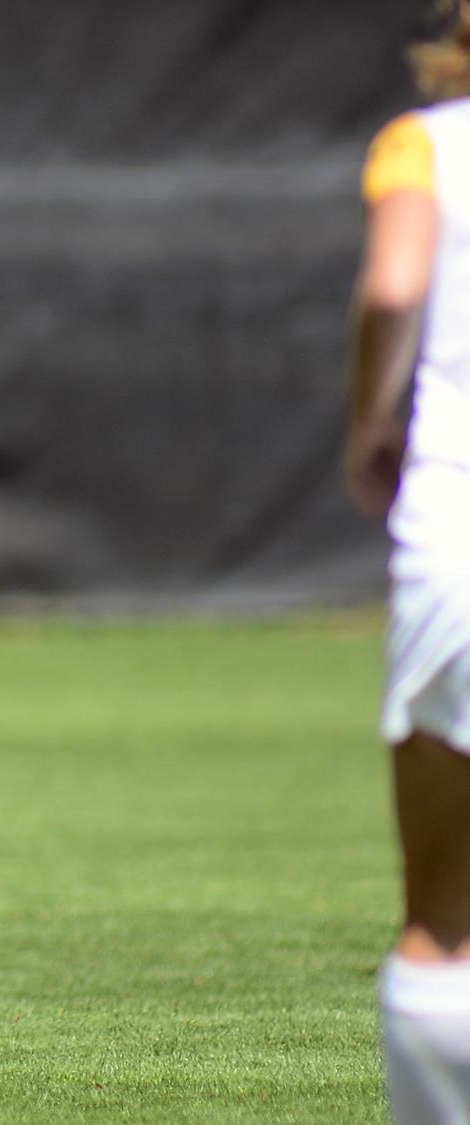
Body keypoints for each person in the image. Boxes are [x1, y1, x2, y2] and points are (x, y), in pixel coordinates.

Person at [346, 2, 470, 1120]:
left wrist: (366, 428)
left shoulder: (422, 145)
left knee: (439, 917)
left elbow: (392, 289)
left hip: (453, 539)